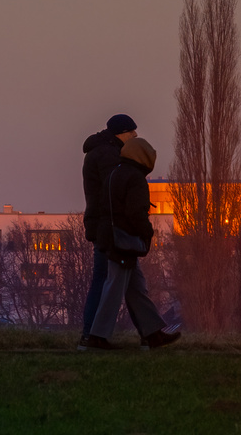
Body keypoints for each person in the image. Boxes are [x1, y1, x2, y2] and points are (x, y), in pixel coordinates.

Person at [84, 136, 180, 350]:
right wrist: (148, 232)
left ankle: (153, 332)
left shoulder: (114, 174)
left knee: (137, 289)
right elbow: (135, 213)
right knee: (114, 288)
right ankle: (97, 337)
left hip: (111, 238)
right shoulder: (135, 179)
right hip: (124, 241)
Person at [79, 113, 137, 347]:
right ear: (121, 133)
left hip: (104, 224)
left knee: (116, 279)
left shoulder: (103, 152)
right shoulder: (108, 155)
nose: (135, 136)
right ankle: (90, 335)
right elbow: (115, 189)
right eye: (132, 132)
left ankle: (92, 335)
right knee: (103, 279)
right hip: (109, 226)